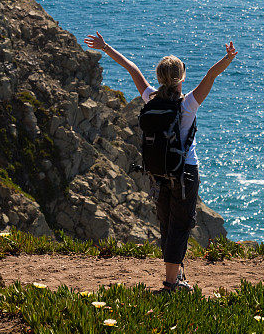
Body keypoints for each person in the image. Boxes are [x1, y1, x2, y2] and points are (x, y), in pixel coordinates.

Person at [84, 32, 238, 292]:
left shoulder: (151, 99)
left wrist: (105, 47)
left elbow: (130, 68)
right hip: (184, 171)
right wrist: (227, 58)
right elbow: (211, 76)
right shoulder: (187, 103)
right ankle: (170, 284)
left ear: (158, 78)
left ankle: (174, 278)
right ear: (182, 78)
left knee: (167, 223)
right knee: (180, 224)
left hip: (158, 173)